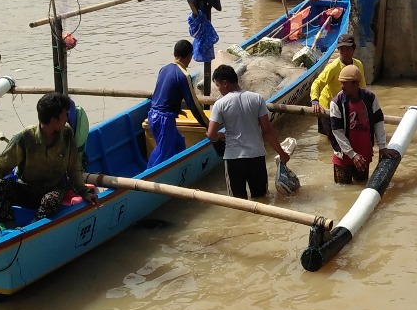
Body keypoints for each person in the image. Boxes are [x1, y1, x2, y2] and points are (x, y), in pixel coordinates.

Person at [0, 91, 97, 225]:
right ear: (54, 120)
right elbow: (1, 166)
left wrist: (84, 193)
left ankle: (33, 226)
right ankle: (7, 226)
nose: (67, 119)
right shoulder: (24, 138)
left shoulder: (66, 133)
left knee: (51, 200)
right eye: (64, 116)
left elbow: (74, 168)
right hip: (26, 189)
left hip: (52, 190)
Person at [206, 64, 291, 199]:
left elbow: (211, 135)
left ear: (225, 83)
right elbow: (267, 130)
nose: (218, 89)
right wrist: (282, 153)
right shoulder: (256, 98)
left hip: (234, 159)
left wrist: (219, 136)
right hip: (256, 156)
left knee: (238, 203)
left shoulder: (220, 104)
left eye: (218, 85)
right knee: (261, 199)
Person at [146, 39, 210, 168]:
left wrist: (176, 109)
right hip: (164, 120)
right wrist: (208, 126)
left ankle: (180, 169)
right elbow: (193, 105)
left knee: (178, 143)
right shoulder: (183, 75)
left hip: (152, 115)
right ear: (189, 56)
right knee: (162, 153)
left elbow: (162, 95)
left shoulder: (164, 69)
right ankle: (145, 181)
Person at [329, 65, 394, 183]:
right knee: (343, 190)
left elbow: (378, 121)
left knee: (362, 186)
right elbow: (337, 131)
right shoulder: (336, 103)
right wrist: (352, 155)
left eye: (345, 82)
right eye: (341, 82)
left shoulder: (370, 98)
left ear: (355, 83)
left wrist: (382, 147)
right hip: (343, 156)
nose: (342, 86)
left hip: (363, 156)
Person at [310, 33, 365, 148]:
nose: (345, 53)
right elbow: (317, 82)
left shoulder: (358, 65)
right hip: (328, 106)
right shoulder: (333, 67)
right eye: (342, 50)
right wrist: (314, 101)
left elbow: (362, 87)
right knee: (334, 142)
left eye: (347, 49)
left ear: (353, 49)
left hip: (345, 106)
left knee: (347, 136)